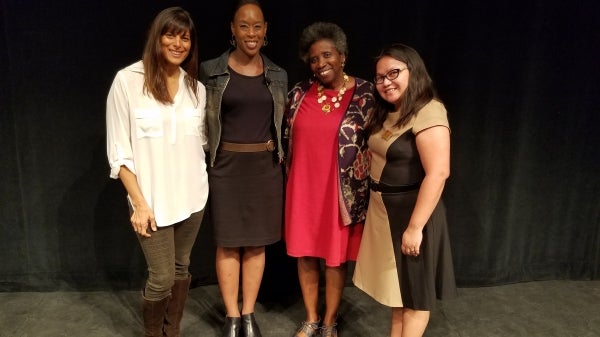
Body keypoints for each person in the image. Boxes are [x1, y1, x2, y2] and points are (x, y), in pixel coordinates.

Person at [105, 7, 208, 337]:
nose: (178, 43)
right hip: (151, 202)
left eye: (185, 37)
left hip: (192, 197)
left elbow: (200, 144)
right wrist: (139, 203)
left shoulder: (197, 89)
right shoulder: (128, 81)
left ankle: (171, 332)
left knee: (181, 268)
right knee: (161, 277)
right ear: (157, 37)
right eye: (171, 34)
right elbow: (120, 153)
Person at [352, 43, 458, 337]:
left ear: (414, 71)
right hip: (386, 215)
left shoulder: (429, 110)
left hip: (412, 216)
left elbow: (438, 172)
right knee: (400, 295)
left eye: (393, 73)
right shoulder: (389, 112)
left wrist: (415, 228)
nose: (386, 82)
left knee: (414, 298)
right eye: (379, 77)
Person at [198, 1, 287, 336]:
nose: (252, 33)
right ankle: (232, 317)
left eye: (258, 26)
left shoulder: (277, 73)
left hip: (265, 168)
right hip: (225, 167)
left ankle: (248, 315)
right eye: (244, 26)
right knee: (228, 242)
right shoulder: (211, 70)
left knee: (256, 244)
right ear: (232, 30)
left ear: (266, 31)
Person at [283, 22, 375, 337]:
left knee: (335, 259)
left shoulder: (366, 93)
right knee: (306, 254)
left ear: (342, 56)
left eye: (327, 55)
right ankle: (311, 317)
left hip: (340, 191)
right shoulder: (297, 93)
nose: (321, 64)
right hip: (302, 188)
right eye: (313, 59)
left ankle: (330, 320)